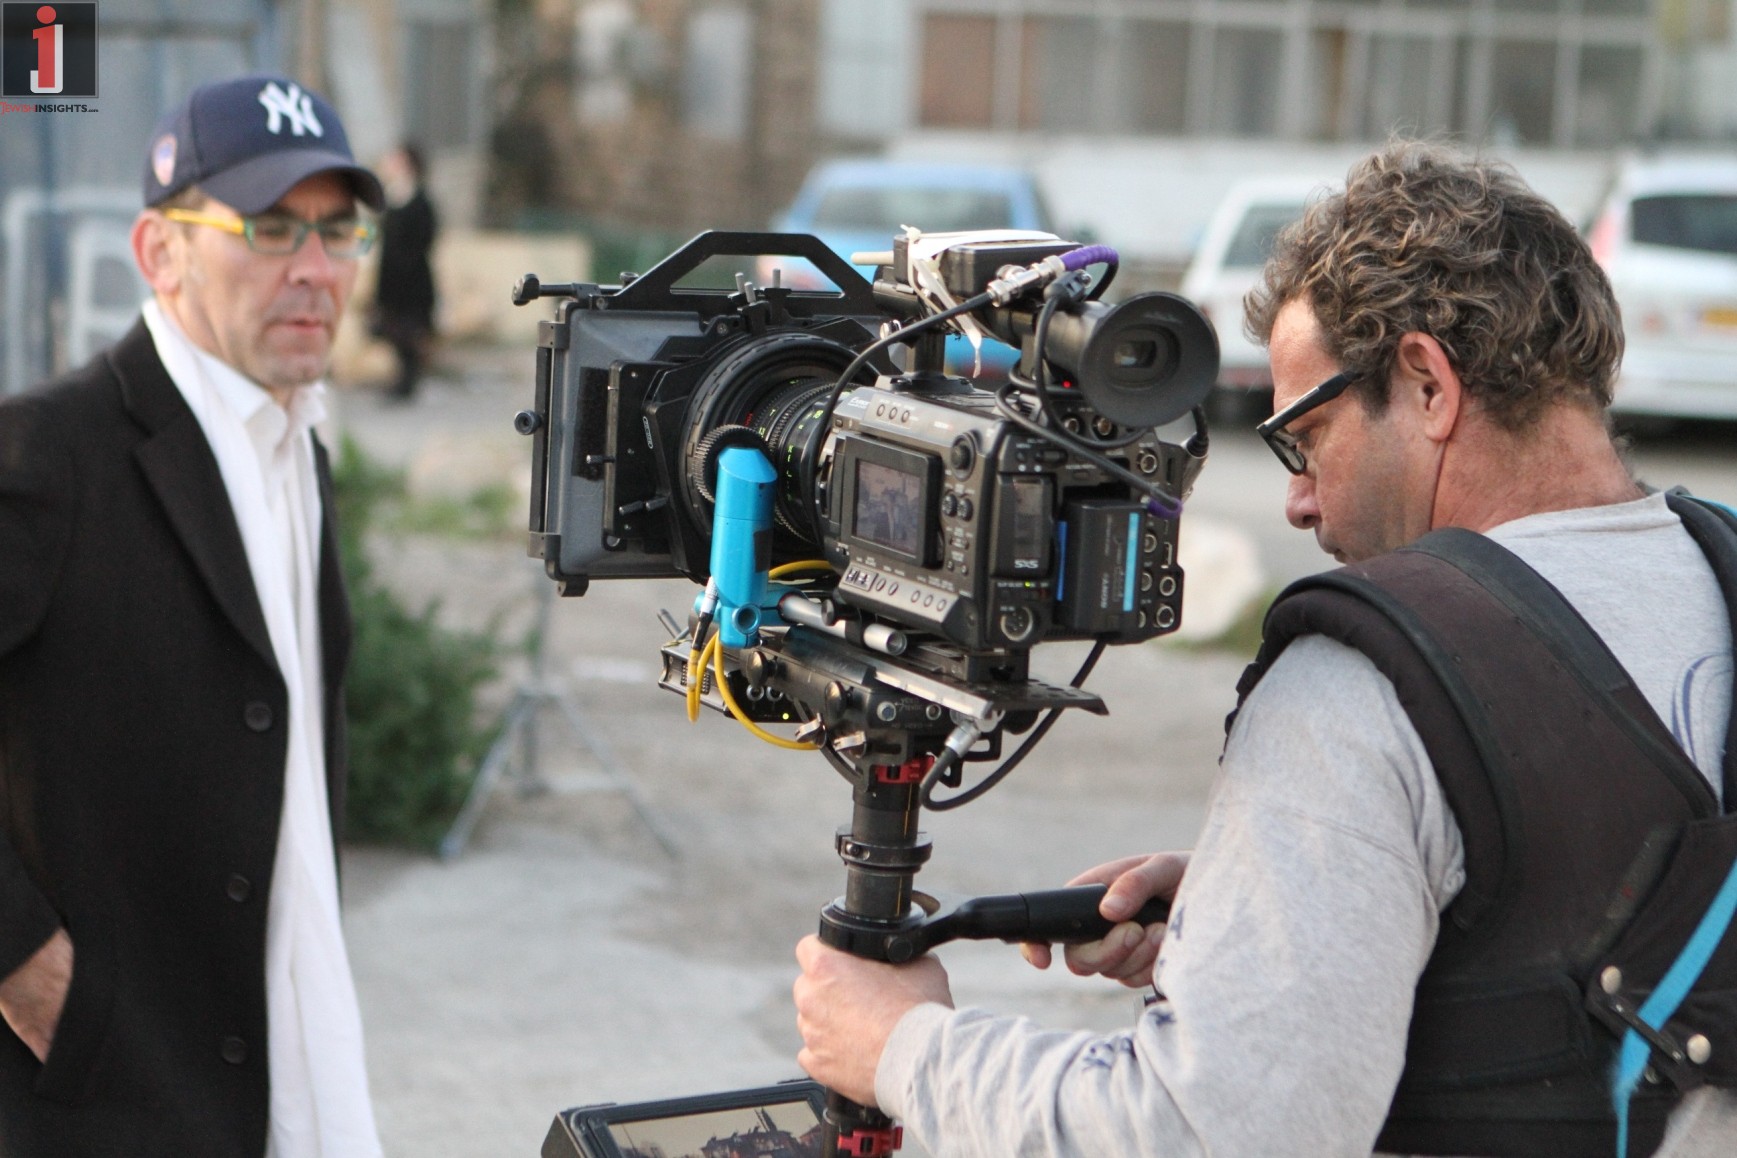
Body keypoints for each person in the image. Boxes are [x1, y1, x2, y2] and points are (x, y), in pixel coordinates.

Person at [792, 141, 1737, 1156]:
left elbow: (1200, 1134)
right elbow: (1615, 884)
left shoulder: (1371, 682)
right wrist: (1318, 897)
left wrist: (903, 1046)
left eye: (1303, 438)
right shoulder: (1719, 570)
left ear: (1427, 385)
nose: (1295, 500)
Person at [0, 73, 387, 1156]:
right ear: (159, 252)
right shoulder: (50, 452)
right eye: (269, 228)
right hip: (96, 1094)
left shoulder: (297, 451)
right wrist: (26, 967)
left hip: (271, 1071)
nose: (314, 269)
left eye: (337, 231)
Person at [371, 142, 439, 400]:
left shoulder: (421, 201)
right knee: (393, 331)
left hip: (413, 280)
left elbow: (425, 238)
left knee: (411, 332)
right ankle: (401, 379)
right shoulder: (391, 199)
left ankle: (409, 381)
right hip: (391, 280)